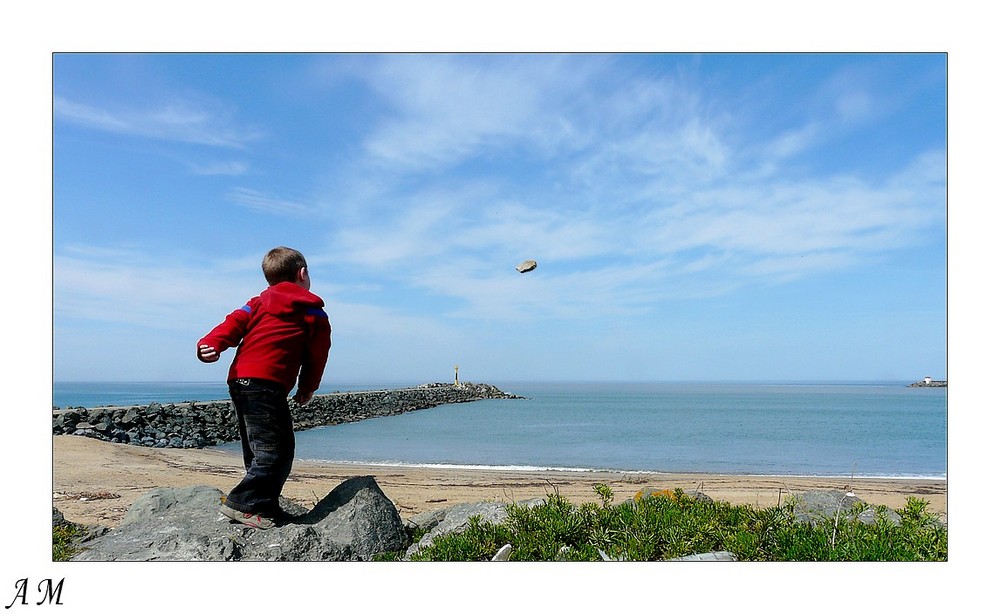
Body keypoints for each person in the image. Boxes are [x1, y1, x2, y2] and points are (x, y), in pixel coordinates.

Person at [197, 246, 332, 529]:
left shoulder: (257, 303)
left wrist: (210, 345)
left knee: (258, 447)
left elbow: (233, 322)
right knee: (278, 451)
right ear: (303, 274)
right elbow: (316, 356)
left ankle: (264, 505)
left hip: (240, 380)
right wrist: (307, 388)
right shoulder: (313, 313)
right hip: (266, 384)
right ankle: (243, 504)